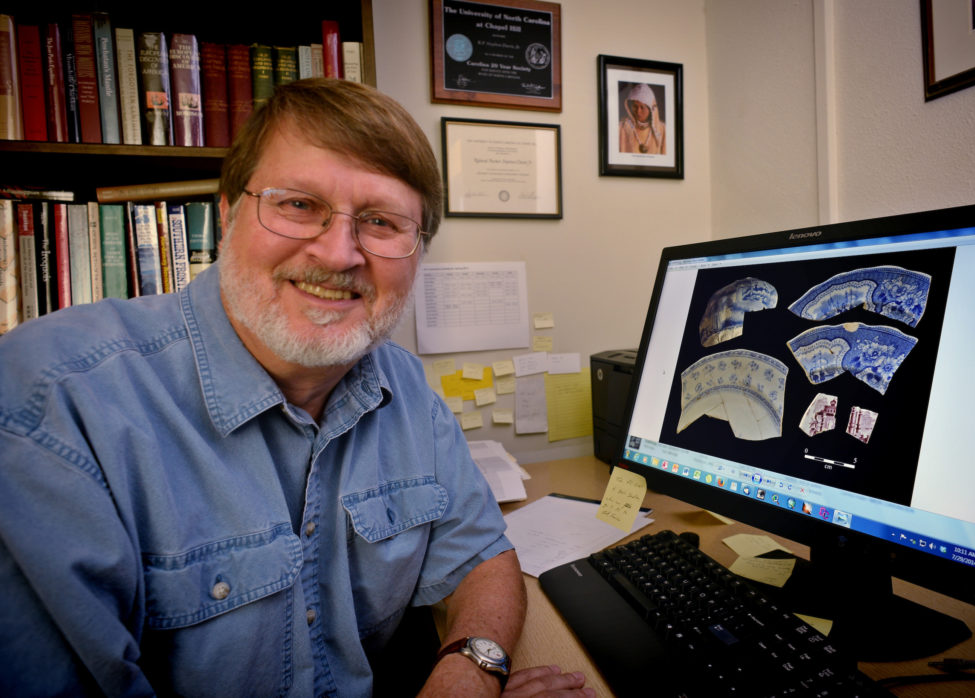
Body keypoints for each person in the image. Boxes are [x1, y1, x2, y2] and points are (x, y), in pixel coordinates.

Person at [0, 78, 592, 697]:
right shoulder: (50, 408)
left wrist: (471, 670)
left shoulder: (404, 385)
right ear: (227, 214)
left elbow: (481, 555)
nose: (339, 254)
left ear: (417, 253)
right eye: (298, 204)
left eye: (381, 221)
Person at [618, 82, 666, 155]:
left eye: (642, 107)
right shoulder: (621, 128)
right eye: (635, 106)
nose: (638, 111)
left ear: (651, 109)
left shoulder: (663, 130)